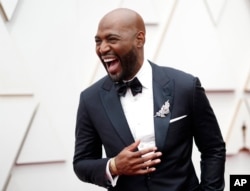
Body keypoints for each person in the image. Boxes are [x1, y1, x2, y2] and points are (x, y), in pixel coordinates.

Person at [73, 8, 226, 191]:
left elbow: (213, 148)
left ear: (140, 39)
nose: (103, 48)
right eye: (98, 41)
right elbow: (82, 163)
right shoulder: (90, 99)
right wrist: (114, 166)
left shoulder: (185, 86)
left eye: (112, 39)